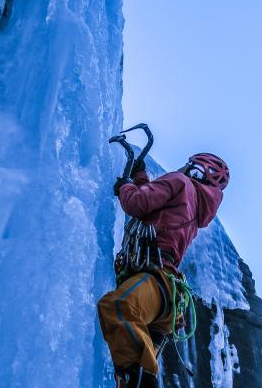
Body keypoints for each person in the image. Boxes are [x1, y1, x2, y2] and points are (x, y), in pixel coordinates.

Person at [97, 153, 230, 388]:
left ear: (195, 170)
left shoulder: (180, 182)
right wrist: (140, 177)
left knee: (117, 307)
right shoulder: (195, 205)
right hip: (168, 305)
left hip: (154, 282)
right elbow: (155, 209)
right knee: (131, 373)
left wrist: (125, 186)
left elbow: (137, 204)